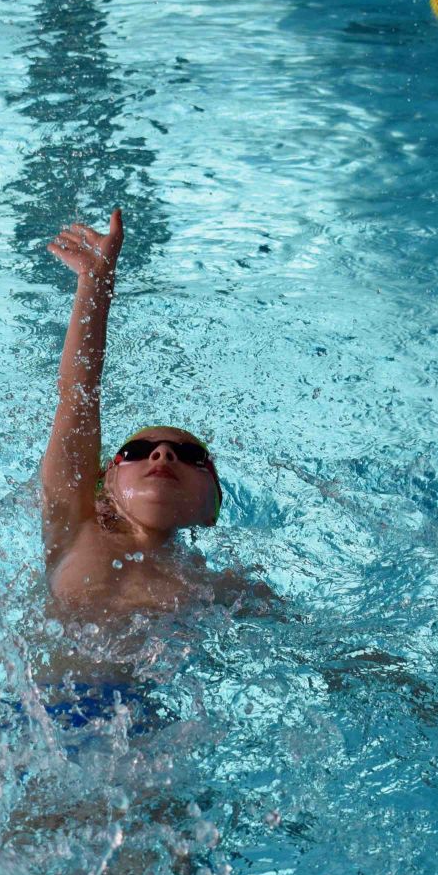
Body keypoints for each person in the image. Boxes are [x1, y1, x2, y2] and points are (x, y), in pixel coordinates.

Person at [39, 208, 274, 631]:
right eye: (137, 451)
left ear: (211, 507)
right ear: (105, 483)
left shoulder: (220, 588)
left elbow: (326, 650)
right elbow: (77, 401)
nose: (163, 454)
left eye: (190, 455)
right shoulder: (73, 527)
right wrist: (95, 285)